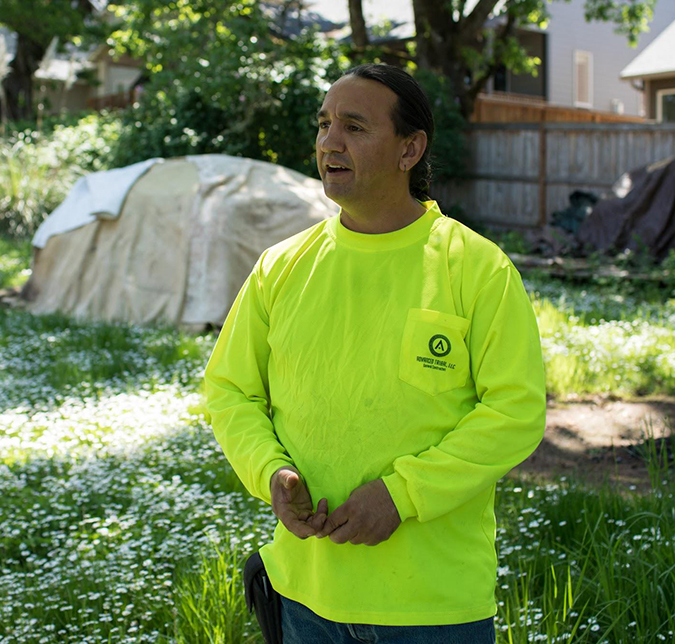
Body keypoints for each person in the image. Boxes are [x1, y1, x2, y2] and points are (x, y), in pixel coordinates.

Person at [202, 63, 546, 643]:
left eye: (355, 127)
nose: (330, 142)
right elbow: (230, 389)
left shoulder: (476, 268)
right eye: (324, 125)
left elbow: (514, 412)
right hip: (304, 594)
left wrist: (401, 496)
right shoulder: (280, 268)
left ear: (410, 149)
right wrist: (271, 472)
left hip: (433, 607)